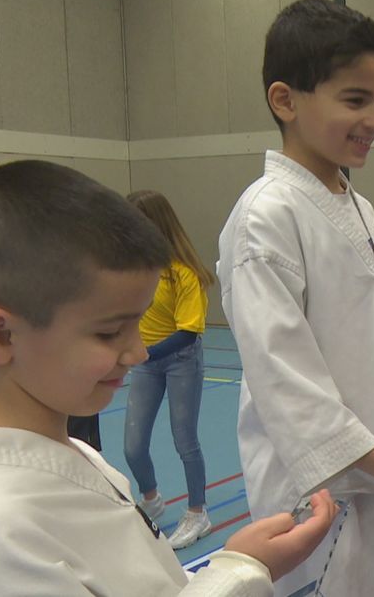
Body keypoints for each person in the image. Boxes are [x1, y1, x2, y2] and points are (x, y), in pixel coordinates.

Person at [216, 0, 374, 596]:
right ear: (285, 100)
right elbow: (290, 388)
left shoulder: (356, 206)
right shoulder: (266, 216)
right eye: (355, 100)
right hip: (319, 499)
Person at [0, 159, 337, 595]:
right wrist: (241, 571)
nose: (138, 350)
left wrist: (238, 564)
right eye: (109, 332)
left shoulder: (84, 460)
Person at [123, 190, 214, 549]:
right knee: (133, 445)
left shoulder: (183, 273)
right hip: (146, 362)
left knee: (184, 439)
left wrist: (145, 354)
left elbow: (188, 330)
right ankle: (152, 498)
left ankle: (198, 512)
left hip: (180, 360)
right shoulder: (135, 268)